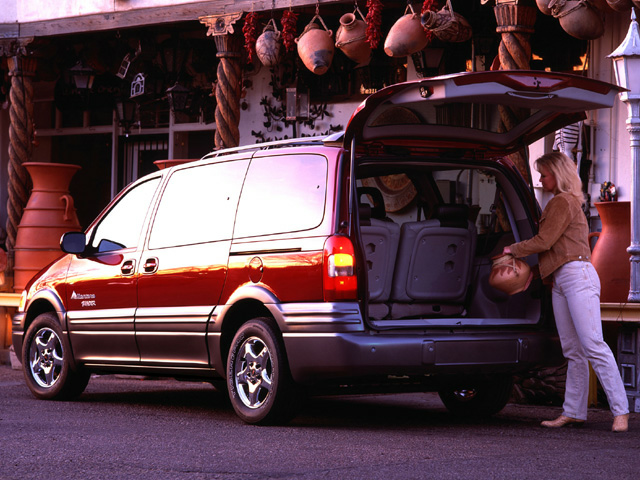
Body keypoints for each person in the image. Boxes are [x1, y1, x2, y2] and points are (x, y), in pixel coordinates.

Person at [503, 152, 629, 433]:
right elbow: (557, 250)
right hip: (563, 278)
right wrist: (533, 275)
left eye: (544, 174)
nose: (540, 179)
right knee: (573, 349)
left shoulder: (562, 201)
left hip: (577, 277)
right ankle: (574, 411)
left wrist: (514, 249)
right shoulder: (564, 201)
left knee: (593, 345)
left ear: (557, 175)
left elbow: (545, 241)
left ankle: (621, 411)